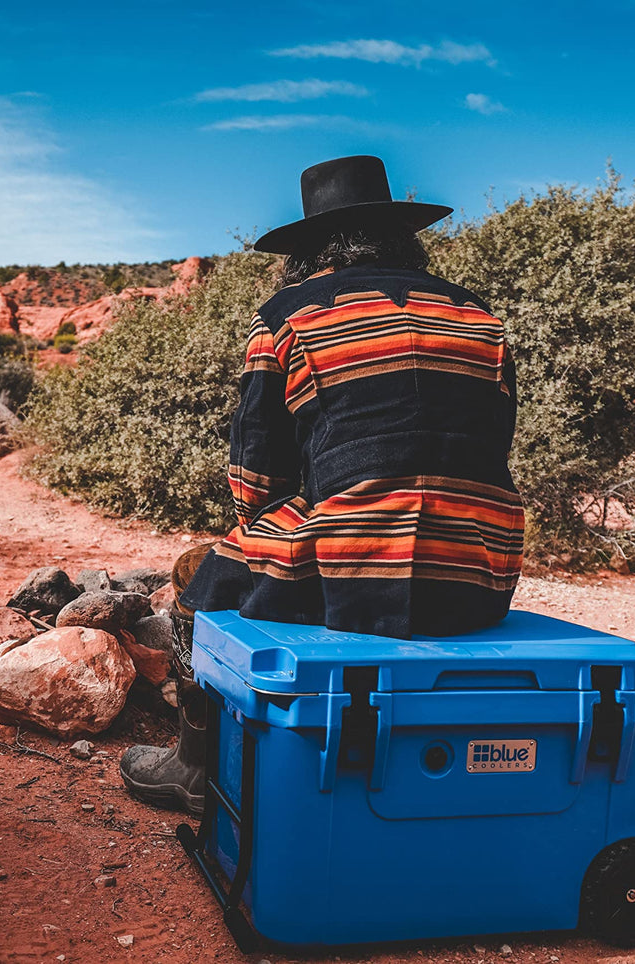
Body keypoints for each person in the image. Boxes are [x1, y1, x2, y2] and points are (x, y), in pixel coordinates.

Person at [120, 155, 525, 815]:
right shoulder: (476, 316)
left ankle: (195, 768)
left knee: (199, 578)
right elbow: (490, 447)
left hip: (349, 580)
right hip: (476, 577)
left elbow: (254, 479)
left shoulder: (287, 317)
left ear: (306, 252)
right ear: (400, 237)